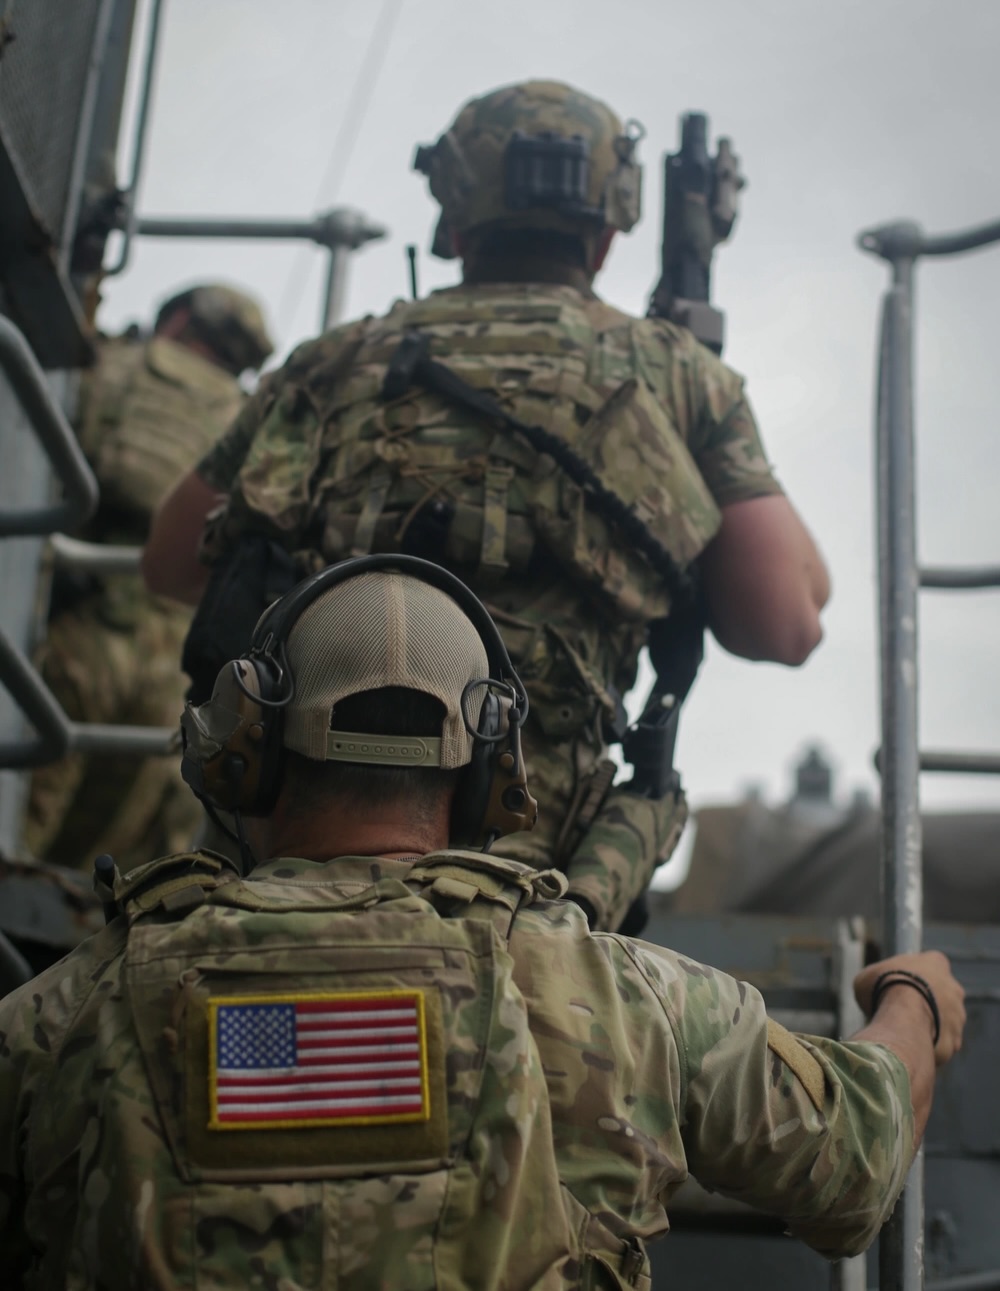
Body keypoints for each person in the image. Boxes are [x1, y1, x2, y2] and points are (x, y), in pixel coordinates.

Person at [0, 556, 964, 1288]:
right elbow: (856, 1158)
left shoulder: (70, 1009)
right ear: (488, 775)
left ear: (246, 755)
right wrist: (913, 998)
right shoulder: (626, 999)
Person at [142, 80, 830, 934]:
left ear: (456, 219)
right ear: (608, 233)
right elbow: (784, 624)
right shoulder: (679, 376)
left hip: (298, 843)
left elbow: (170, 561)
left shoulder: (336, 360)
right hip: (530, 876)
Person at [23, 282, 273, 872]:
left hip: (70, 632)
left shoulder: (108, 367)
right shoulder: (248, 421)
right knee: (100, 872)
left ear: (177, 320)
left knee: (19, 821)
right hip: (176, 672)